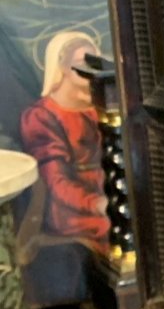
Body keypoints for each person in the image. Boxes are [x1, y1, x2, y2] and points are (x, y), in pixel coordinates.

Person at [18, 32, 109, 256]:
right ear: (62, 68)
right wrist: (97, 203)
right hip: (72, 212)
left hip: (109, 198)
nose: (90, 70)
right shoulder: (41, 116)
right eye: (81, 63)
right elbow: (56, 181)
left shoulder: (100, 108)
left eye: (93, 62)